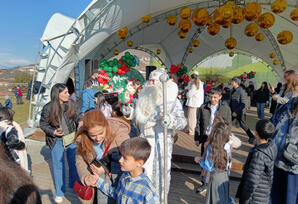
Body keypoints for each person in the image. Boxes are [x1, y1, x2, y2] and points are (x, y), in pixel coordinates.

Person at [133, 68, 187, 202]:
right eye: (149, 80)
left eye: (153, 81)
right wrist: (131, 113)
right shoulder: (144, 97)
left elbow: (182, 122)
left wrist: (170, 121)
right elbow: (139, 120)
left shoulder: (171, 101)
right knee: (142, 174)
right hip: (143, 142)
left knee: (161, 176)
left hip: (161, 143)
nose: (150, 83)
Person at [39, 83, 82, 203]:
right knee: (59, 166)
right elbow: (42, 124)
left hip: (71, 138)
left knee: (73, 163)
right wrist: (53, 131)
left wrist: (80, 121)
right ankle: (60, 192)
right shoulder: (48, 107)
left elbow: (78, 115)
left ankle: (74, 185)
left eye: (68, 92)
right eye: (65, 93)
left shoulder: (71, 104)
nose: (68, 94)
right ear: (57, 94)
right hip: (56, 141)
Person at [75, 110, 130, 204]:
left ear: (106, 125)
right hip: (97, 183)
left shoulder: (119, 135)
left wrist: (105, 168)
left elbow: (130, 159)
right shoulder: (83, 139)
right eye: (93, 135)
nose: (98, 138)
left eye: (101, 133)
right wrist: (85, 177)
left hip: (117, 181)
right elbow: (80, 161)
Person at [88, 137, 159, 204]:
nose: (120, 160)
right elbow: (116, 194)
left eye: (125, 158)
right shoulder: (124, 176)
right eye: (121, 156)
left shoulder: (147, 191)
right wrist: (98, 181)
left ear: (139, 163)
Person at [236, 119, 277, 204]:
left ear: (255, 133)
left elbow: (252, 182)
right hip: (263, 195)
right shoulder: (271, 146)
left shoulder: (259, 155)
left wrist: (244, 200)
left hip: (254, 198)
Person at [270, 97, 298, 204]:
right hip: (277, 160)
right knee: (275, 197)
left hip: (294, 166)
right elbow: (273, 122)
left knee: (290, 198)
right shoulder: (288, 105)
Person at [200, 119, 231, 204]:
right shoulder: (227, 146)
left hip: (215, 178)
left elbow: (208, 167)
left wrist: (199, 160)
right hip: (225, 177)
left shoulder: (211, 147)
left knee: (213, 199)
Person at [194, 88, 232, 157]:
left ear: (220, 97)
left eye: (215, 97)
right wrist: (197, 138)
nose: (212, 99)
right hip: (206, 136)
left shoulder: (226, 108)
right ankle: (203, 168)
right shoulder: (203, 107)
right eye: (211, 97)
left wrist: (227, 137)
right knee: (204, 156)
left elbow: (228, 124)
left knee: (216, 157)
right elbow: (199, 123)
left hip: (219, 137)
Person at [230, 77, 255, 144]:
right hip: (232, 111)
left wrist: (236, 112)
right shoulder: (232, 90)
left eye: (232, 81)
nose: (231, 83)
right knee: (227, 122)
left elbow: (243, 104)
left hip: (239, 112)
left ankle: (252, 136)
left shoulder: (241, 91)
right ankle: (224, 136)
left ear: (236, 82)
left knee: (243, 125)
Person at [185, 71, 204, 136]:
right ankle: (190, 128)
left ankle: (192, 130)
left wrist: (186, 93)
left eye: (191, 78)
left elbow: (189, 94)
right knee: (192, 117)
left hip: (193, 103)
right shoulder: (198, 83)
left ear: (193, 78)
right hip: (196, 103)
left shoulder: (194, 85)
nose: (190, 80)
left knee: (191, 117)